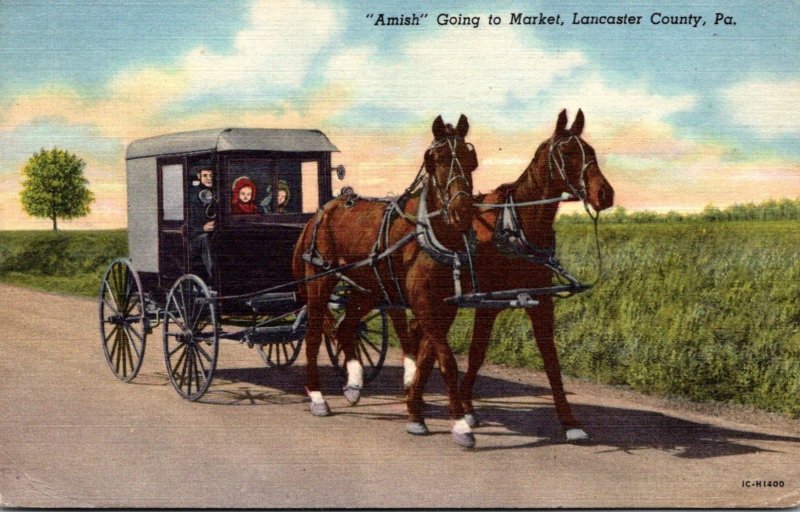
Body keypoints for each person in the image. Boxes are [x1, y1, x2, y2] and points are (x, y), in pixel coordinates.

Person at [189, 168, 216, 281]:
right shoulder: (192, 195)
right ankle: (213, 278)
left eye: (211, 175)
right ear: (199, 176)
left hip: (215, 233)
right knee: (205, 238)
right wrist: (202, 228)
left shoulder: (218, 192)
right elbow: (187, 222)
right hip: (193, 239)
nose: (209, 178)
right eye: (205, 175)